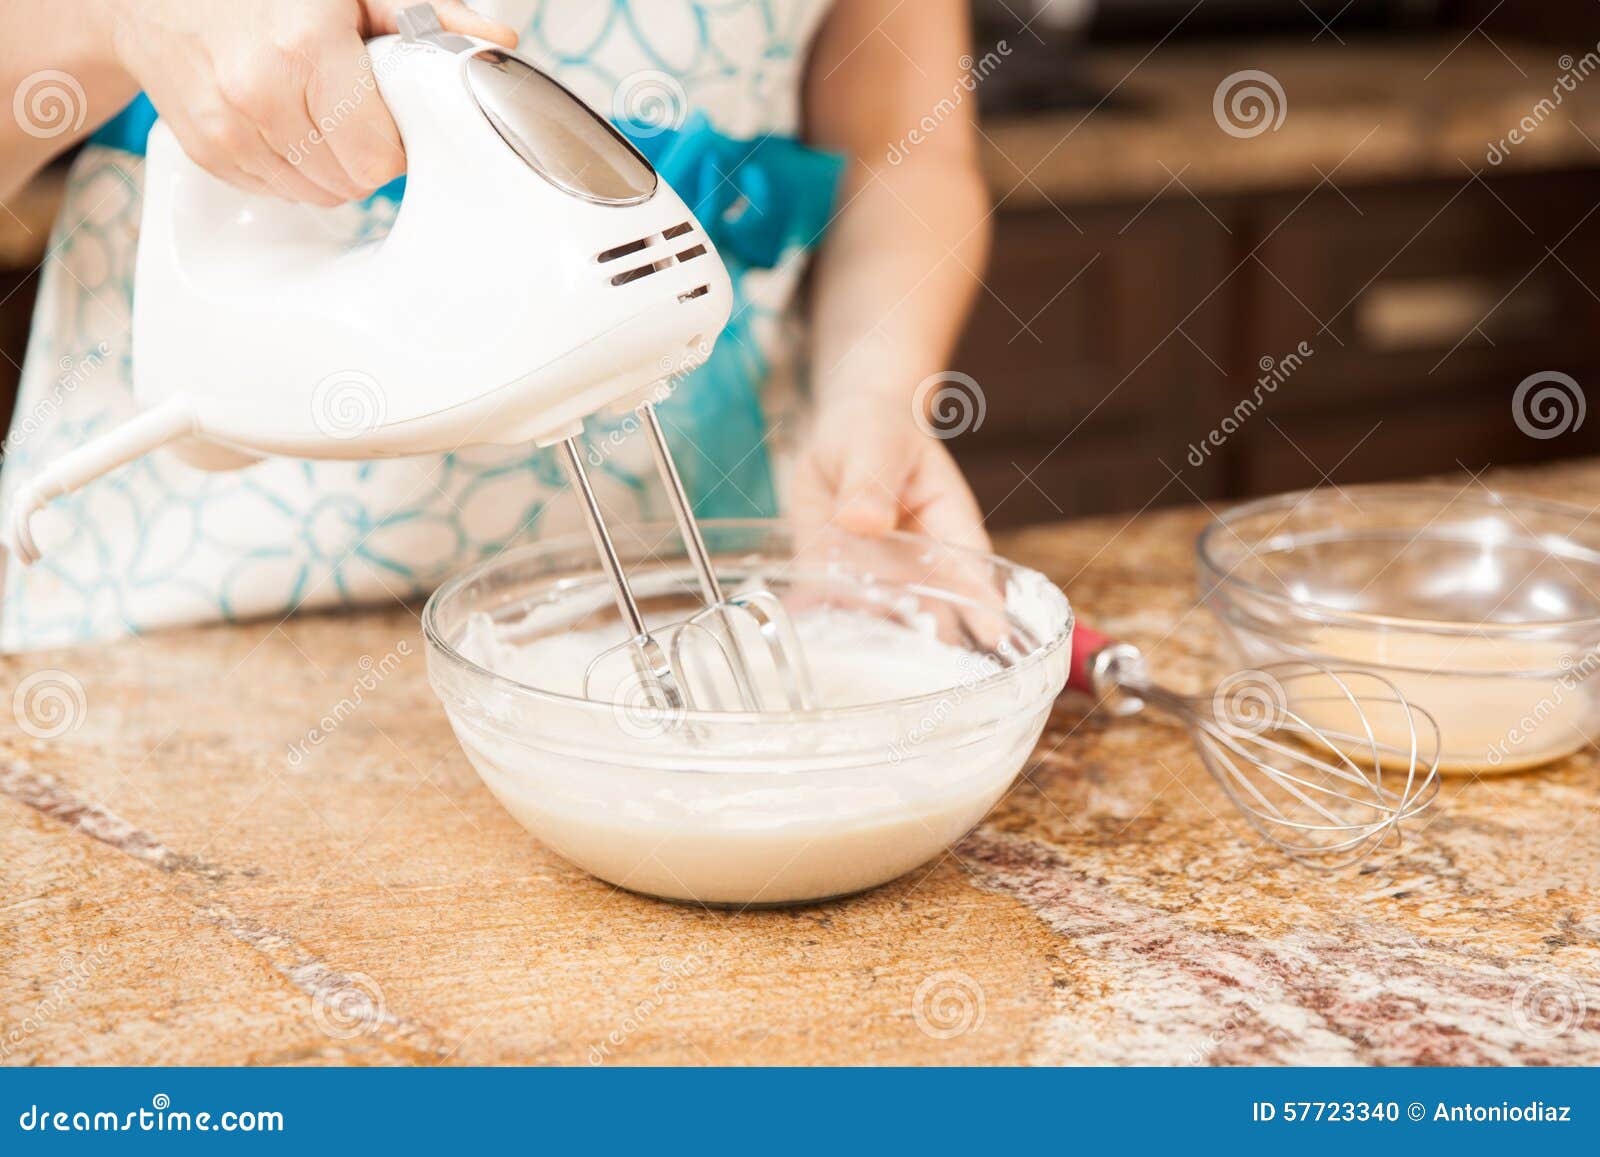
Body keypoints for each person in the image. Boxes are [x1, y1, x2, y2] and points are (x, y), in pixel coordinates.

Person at [0, 0, 991, 652]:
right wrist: (115, 18)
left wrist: (872, 392)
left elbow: (902, 153)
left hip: (677, 594)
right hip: (170, 624)